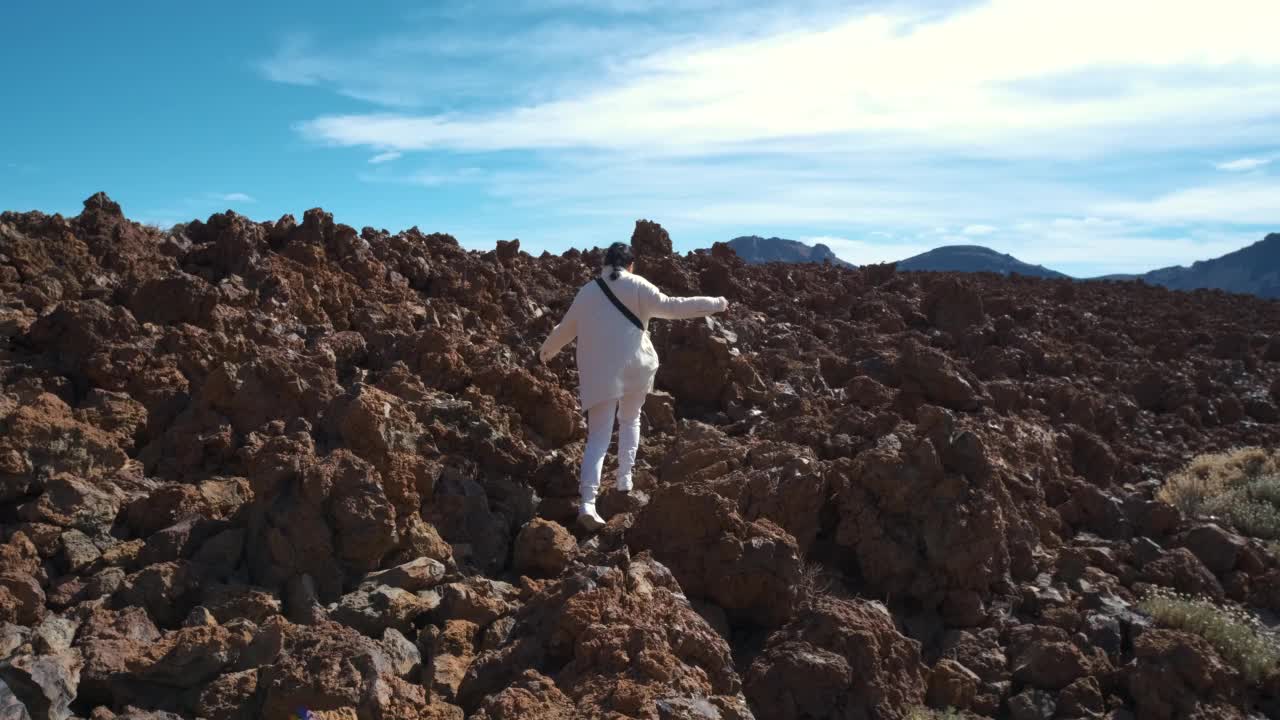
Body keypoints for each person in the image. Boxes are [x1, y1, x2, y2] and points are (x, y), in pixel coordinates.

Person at [538, 242, 729, 529]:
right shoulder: (638, 285)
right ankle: (624, 479)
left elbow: (565, 329)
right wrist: (716, 304)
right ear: (631, 265)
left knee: (598, 437)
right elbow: (673, 307)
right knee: (630, 420)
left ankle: (588, 504)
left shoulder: (587, 292)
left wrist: (545, 353)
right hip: (636, 368)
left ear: (603, 264)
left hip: (602, 374)